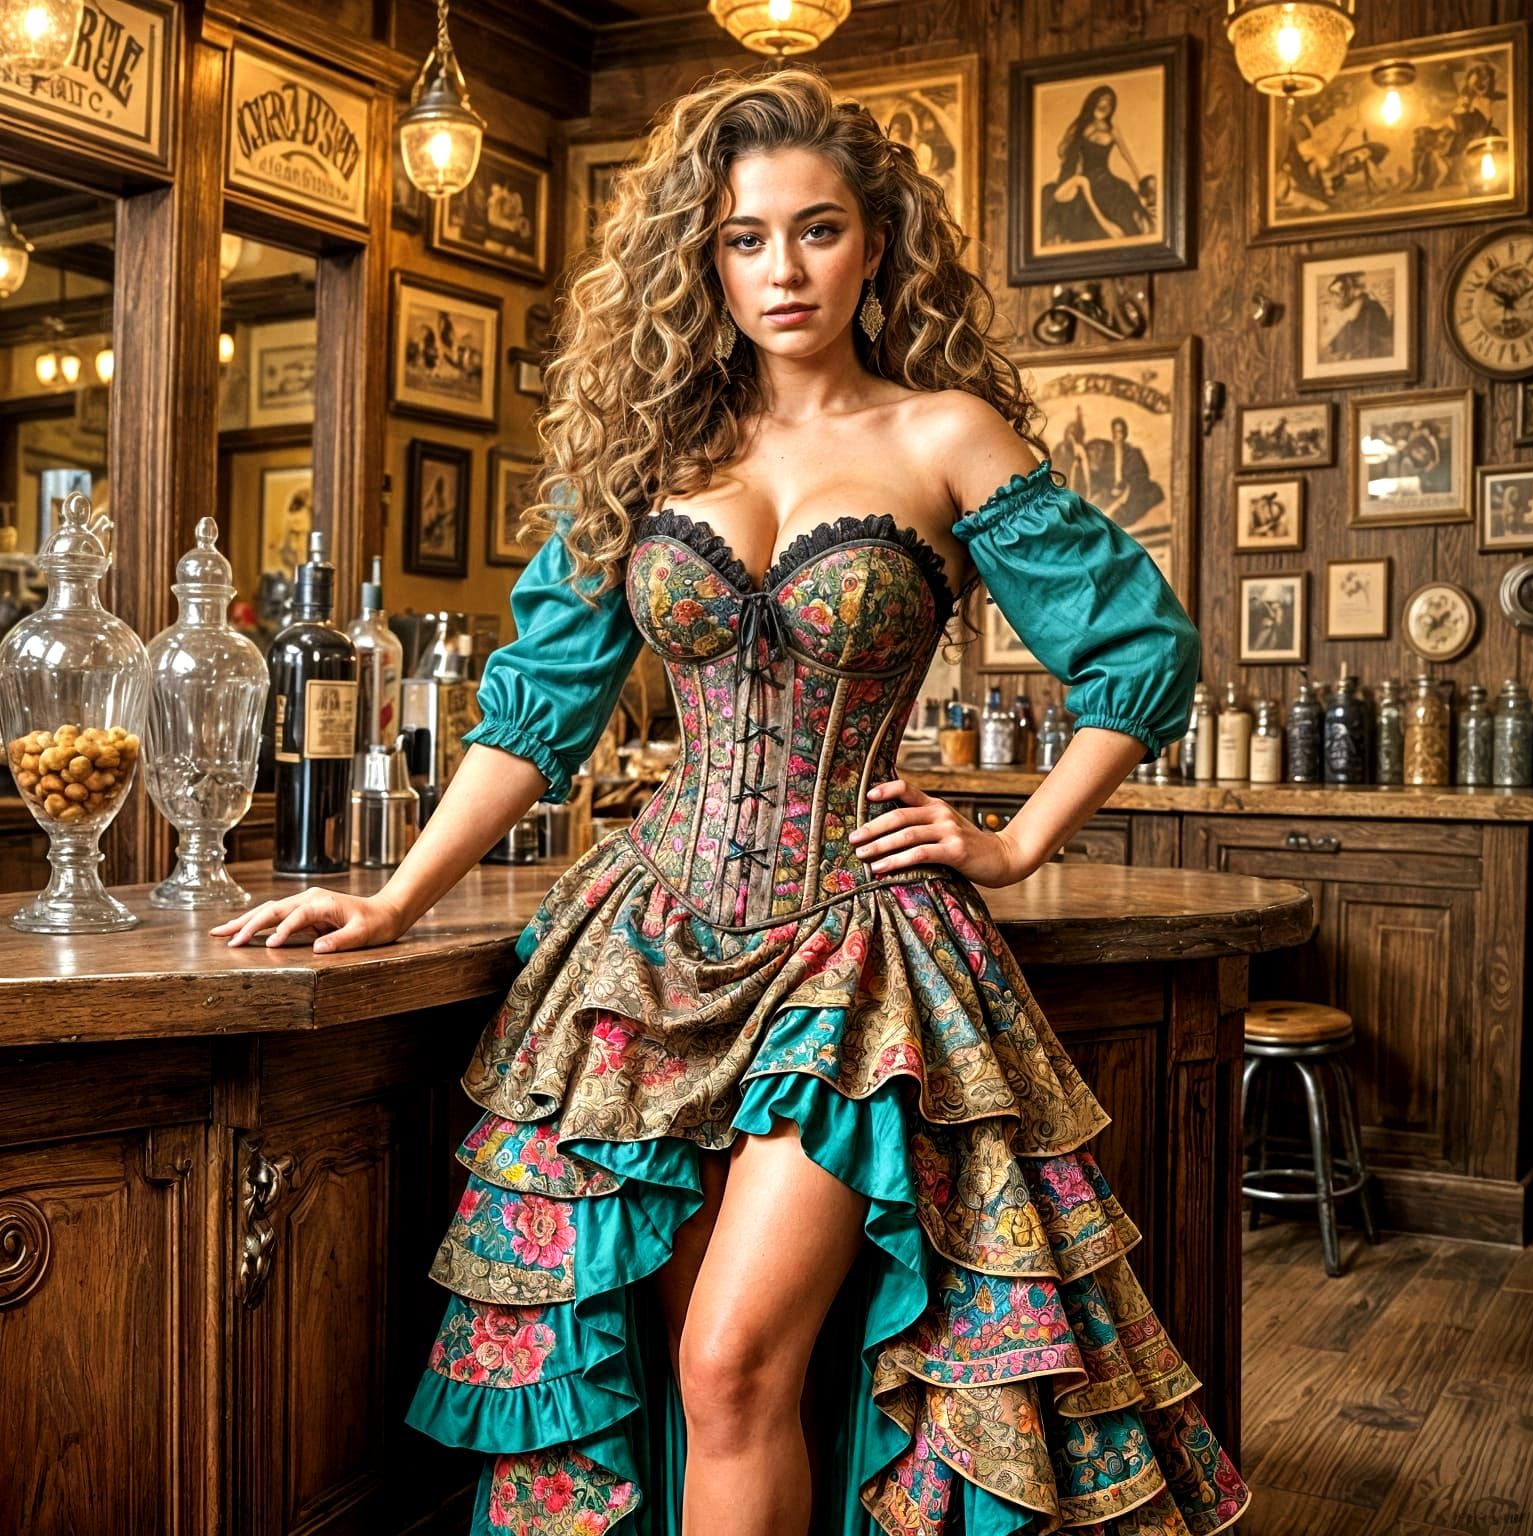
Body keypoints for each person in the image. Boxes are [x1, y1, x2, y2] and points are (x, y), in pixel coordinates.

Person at [211, 67, 1237, 1536]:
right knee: (692, 1381)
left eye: (816, 232)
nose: (782, 269)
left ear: (876, 241)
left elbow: (1139, 653)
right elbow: (541, 710)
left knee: (731, 1355)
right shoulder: (646, 458)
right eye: (746, 239)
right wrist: (393, 898)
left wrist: (1012, 840)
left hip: (853, 953)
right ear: (704, 258)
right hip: (646, 957)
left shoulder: (944, 435)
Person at [1040, 84, 1154, 244]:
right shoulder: (1080, 126)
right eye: (1103, 101)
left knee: (1123, 214)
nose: (1106, 106)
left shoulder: (1112, 129)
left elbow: (1127, 155)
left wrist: (1140, 178)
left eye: (1110, 103)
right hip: (1085, 178)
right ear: (1094, 102)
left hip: (1106, 179)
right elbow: (1062, 151)